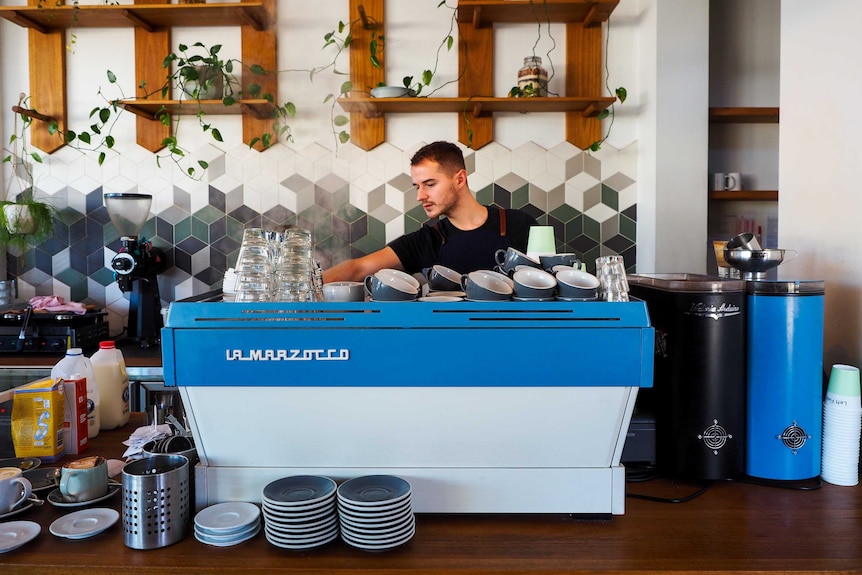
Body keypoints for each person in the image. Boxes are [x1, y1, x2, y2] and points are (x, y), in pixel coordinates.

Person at [323, 141, 538, 282]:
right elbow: (357, 269)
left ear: (460, 179)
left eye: (430, 184)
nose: (420, 196)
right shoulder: (427, 240)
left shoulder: (521, 224)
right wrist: (300, 287)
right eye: (417, 186)